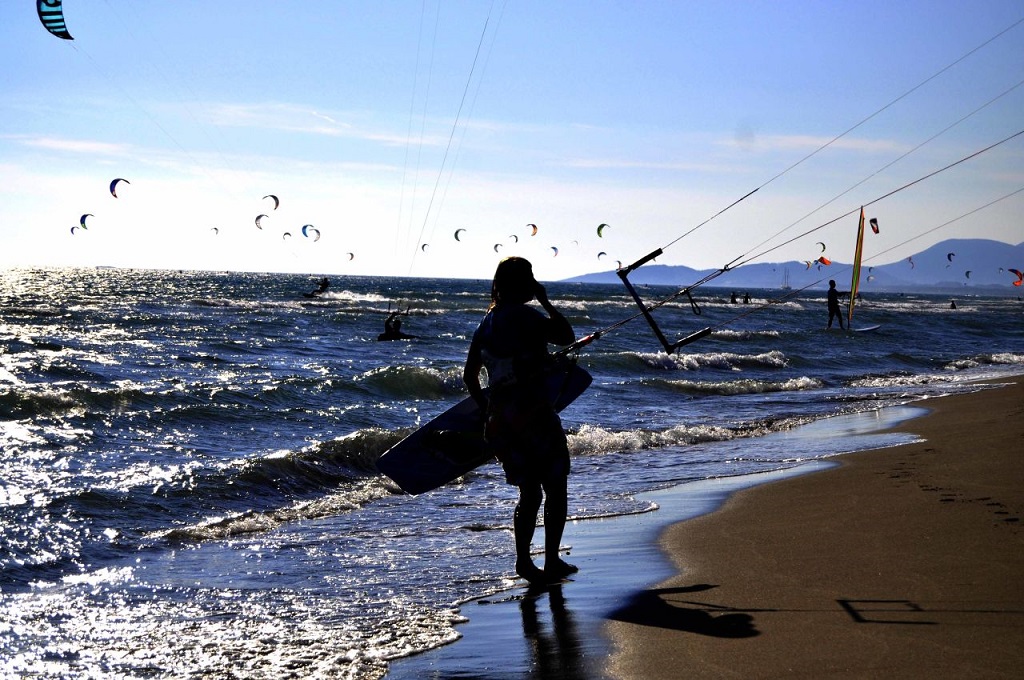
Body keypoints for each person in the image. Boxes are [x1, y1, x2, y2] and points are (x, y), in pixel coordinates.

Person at [463, 257, 577, 585]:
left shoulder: (486, 323)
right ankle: (552, 560)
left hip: (501, 421)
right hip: (535, 417)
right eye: (530, 278)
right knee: (555, 486)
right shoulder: (527, 316)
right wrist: (545, 300)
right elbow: (565, 335)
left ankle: (524, 563)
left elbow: (470, 376)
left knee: (529, 493)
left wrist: (488, 408)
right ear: (523, 284)